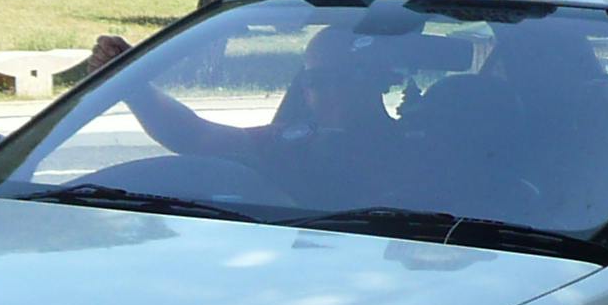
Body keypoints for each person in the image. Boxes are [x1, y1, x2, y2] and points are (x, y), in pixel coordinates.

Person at [119, 23, 407, 202]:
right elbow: (196, 137)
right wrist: (135, 90)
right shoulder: (290, 142)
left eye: (345, 77)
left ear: (379, 79)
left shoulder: (414, 148)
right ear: (304, 89)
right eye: (316, 81)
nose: (331, 91)